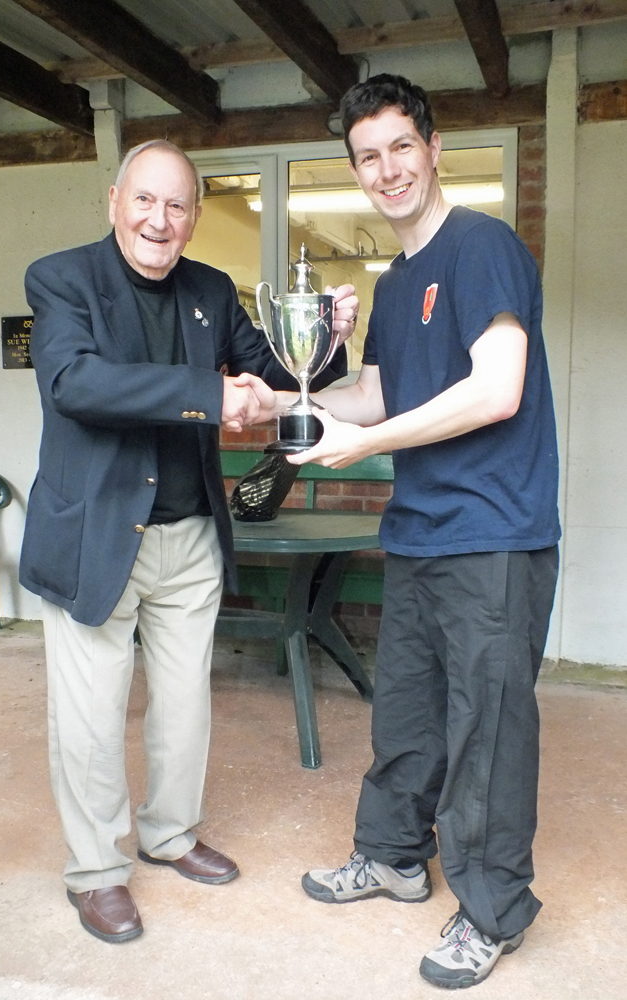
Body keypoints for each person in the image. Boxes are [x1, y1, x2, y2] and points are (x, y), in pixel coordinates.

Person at [251, 74, 561, 989]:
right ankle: (389, 854)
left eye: (398, 147)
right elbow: (378, 390)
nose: (385, 169)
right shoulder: (396, 281)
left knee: (488, 732)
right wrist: (287, 402)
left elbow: (494, 387)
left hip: (494, 534)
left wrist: (364, 446)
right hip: (421, 533)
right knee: (408, 718)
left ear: (432, 149)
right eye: (365, 156)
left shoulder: (481, 247)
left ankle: (493, 908)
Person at [19, 139, 356, 944]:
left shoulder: (209, 289)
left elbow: (274, 372)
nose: (159, 220)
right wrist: (209, 394)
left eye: (176, 206)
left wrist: (328, 341)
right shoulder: (62, 279)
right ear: (113, 201)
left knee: (183, 708)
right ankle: (96, 872)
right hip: (95, 537)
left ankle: (169, 835)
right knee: (93, 718)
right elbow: (76, 383)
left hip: (190, 536)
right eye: (145, 201)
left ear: (194, 219)